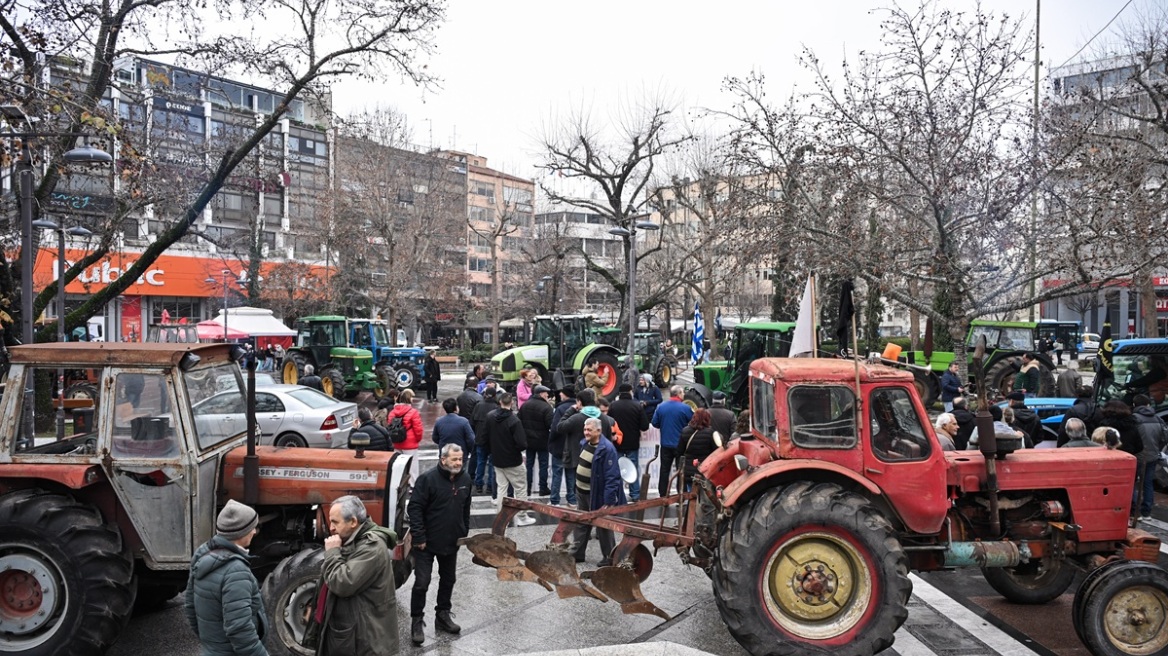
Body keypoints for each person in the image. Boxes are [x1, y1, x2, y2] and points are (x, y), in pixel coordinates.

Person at [407, 444, 472, 646]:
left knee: (449, 579)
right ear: (443, 459)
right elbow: (415, 508)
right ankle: (417, 620)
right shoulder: (428, 479)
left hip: (451, 541)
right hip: (426, 543)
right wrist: (419, 537)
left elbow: (466, 507)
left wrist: (463, 531)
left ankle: (443, 615)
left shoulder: (465, 480)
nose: (458, 463)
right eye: (454, 459)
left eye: (460, 459)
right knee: (422, 583)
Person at [184, 500, 267, 656]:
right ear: (240, 532)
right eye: (251, 528)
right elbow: (240, 629)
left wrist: (212, 644)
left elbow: (190, 606)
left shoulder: (201, 555)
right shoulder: (236, 571)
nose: (254, 532)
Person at [318, 495, 398, 655]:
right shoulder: (349, 539)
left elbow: (342, 583)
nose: (331, 527)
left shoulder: (371, 547)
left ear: (353, 522)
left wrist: (333, 552)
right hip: (351, 629)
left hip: (365, 638)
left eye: (335, 522)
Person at [571, 417, 626, 566]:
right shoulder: (585, 443)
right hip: (582, 492)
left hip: (596, 494)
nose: (586, 432)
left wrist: (608, 501)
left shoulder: (607, 449)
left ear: (599, 431)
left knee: (603, 526)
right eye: (585, 429)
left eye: (589, 430)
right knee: (581, 522)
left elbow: (612, 477)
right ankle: (577, 553)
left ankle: (610, 557)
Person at [480, 393, 536, 526]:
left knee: (502, 489)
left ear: (499, 402)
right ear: (512, 403)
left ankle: (501, 516)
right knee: (520, 488)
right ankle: (522, 516)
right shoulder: (514, 420)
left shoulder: (490, 417)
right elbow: (522, 443)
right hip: (513, 460)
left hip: (497, 459)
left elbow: (483, 437)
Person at [608, 383, 650, 501]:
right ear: (630, 391)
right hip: (633, 443)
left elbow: (609, 424)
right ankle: (635, 494)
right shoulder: (637, 406)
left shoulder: (613, 406)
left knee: (616, 470)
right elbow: (645, 426)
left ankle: (618, 494)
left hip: (617, 443)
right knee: (632, 469)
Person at [651, 385, 693, 498]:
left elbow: (655, 423)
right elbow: (693, 423)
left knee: (664, 470)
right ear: (678, 394)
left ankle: (663, 494)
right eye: (683, 393)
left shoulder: (661, 407)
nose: (684, 395)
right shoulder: (685, 408)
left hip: (665, 444)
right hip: (681, 445)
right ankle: (681, 494)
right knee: (681, 471)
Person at [1131, 394, 1166, 518]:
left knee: (1132, 483)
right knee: (1148, 483)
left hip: (1136, 455)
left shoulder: (1134, 418)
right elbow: (1164, 437)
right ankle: (1146, 512)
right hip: (1152, 455)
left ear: (1134, 405)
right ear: (1148, 404)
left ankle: (1135, 512)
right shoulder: (1157, 418)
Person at [519, 384, 554, 496]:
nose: (547, 395)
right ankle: (543, 488)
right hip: (542, 440)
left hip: (528, 440)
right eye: (546, 393)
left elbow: (519, 421)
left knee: (529, 464)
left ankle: (527, 488)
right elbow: (550, 425)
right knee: (543, 464)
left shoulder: (525, 405)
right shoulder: (546, 407)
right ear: (540, 394)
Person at [548, 387, 578, 506]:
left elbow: (555, 428)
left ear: (565, 395)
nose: (559, 394)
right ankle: (572, 499)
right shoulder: (578, 408)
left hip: (559, 446)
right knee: (571, 474)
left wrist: (551, 441)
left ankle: (555, 500)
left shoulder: (560, 408)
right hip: (573, 446)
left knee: (557, 474)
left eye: (562, 393)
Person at [386, 388, 424, 480]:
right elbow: (418, 429)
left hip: (396, 442)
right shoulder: (413, 412)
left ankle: (399, 484)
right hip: (410, 443)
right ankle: (412, 485)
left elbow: (389, 425)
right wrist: (417, 440)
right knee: (412, 467)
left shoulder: (392, 412)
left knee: (398, 466)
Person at [470, 388, 499, 496]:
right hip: (492, 441)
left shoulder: (478, 406)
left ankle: (478, 485)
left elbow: (472, 422)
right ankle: (490, 486)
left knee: (480, 461)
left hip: (480, 438)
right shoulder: (496, 407)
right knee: (491, 464)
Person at [680, 408, 717, 489]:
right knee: (705, 494)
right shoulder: (710, 432)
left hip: (689, 470)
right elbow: (715, 451)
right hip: (705, 470)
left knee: (691, 494)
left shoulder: (685, 431)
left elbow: (679, 451)